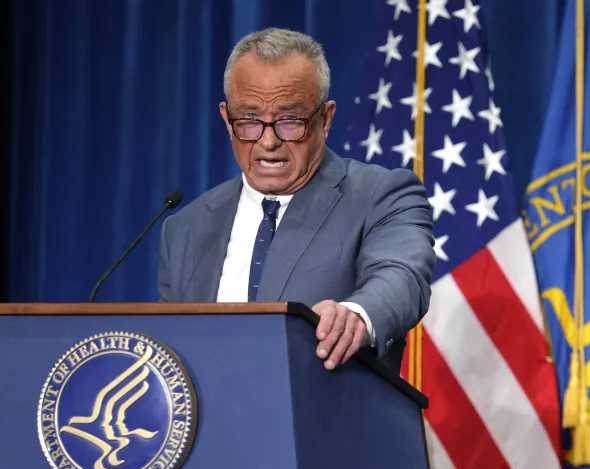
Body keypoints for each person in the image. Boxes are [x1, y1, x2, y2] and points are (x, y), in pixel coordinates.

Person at [157, 28, 435, 374]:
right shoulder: (184, 228)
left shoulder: (380, 195)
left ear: (325, 119)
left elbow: (401, 276)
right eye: (249, 119)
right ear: (227, 120)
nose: (268, 141)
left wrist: (357, 315)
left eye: (289, 121)